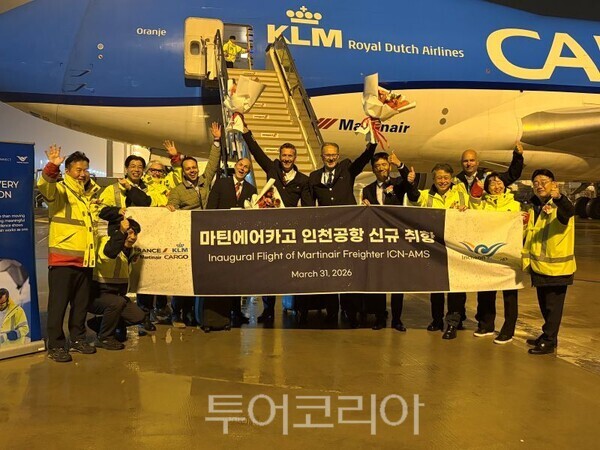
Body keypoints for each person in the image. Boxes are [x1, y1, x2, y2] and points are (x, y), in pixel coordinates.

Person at [242, 125, 313, 324]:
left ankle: (300, 308)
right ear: (280, 156)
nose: (287, 159)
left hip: (291, 231)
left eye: (290, 156)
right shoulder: (272, 169)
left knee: (295, 271)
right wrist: (246, 132)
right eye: (284, 155)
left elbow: (308, 206)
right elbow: (257, 153)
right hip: (271, 229)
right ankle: (268, 310)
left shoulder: (303, 180)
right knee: (270, 271)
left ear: (295, 158)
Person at [38, 146, 101, 362]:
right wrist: (52, 166)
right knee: (58, 305)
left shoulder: (87, 195)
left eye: (85, 169)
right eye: (78, 170)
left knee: (80, 305)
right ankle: (55, 345)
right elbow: (45, 186)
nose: (83, 174)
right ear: (68, 171)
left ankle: (77, 339)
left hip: (85, 259)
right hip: (63, 259)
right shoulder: (60, 190)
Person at [307, 139, 378, 327]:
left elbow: (364, 158)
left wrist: (372, 144)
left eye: (333, 155)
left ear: (338, 156)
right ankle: (331, 312)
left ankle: (350, 311)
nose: (330, 158)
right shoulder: (314, 177)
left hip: (348, 231)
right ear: (322, 156)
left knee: (349, 272)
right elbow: (309, 206)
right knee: (330, 273)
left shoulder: (347, 170)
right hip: (327, 234)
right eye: (327, 155)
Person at [166, 123, 222, 327]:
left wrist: (216, 141)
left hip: (202, 238)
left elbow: (213, 163)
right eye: (188, 168)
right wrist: (170, 208)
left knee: (195, 278)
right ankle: (176, 314)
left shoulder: (204, 181)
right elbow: (171, 209)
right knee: (182, 278)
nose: (192, 171)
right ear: (183, 171)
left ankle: (190, 313)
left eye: (194, 168)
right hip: (185, 238)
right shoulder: (178, 190)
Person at [405, 163, 468, 340]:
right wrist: (410, 183)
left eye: (446, 178)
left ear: (451, 178)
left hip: (456, 248)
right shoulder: (426, 195)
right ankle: (437, 319)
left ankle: (453, 322)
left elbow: (474, 213)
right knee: (436, 286)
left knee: (456, 287)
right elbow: (414, 199)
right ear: (433, 179)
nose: (443, 181)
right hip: (435, 247)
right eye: (439, 178)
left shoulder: (462, 195)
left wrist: (466, 210)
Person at [522, 169, 576, 355]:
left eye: (544, 181)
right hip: (540, 266)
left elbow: (569, 211)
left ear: (554, 184)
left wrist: (559, 197)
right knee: (545, 306)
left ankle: (549, 340)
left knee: (553, 308)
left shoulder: (558, 205)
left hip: (557, 268)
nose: (539, 185)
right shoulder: (535, 207)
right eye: (536, 182)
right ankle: (549, 336)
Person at [469, 172, 521, 344]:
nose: (497, 186)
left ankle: (508, 329)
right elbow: (473, 206)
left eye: (499, 183)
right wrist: (477, 189)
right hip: (489, 254)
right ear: (487, 188)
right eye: (492, 184)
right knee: (486, 291)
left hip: (508, 255)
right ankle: (486, 324)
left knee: (509, 294)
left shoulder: (515, 205)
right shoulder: (483, 205)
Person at [361, 152, 409, 331]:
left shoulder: (398, 184)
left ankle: (397, 319)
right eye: (377, 166)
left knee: (397, 281)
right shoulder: (367, 189)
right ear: (373, 170)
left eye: (383, 165)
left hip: (396, 240)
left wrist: (400, 164)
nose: (381, 168)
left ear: (388, 166)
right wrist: (364, 208)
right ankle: (380, 317)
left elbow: (411, 186)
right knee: (378, 281)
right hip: (377, 241)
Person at [207, 158, 257, 326]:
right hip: (221, 238)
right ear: (235, 166)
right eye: (240, 165)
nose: (242, 169)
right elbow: (211, 209)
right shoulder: (221, 184)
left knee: (238, 278)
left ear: (248, 171)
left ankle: (237, 311)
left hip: (239, 240)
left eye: (246, 167)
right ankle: (222, 313)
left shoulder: (251, 189)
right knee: (222, 276)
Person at [88, 208, 146, 350]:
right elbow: (109, 253)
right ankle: (105, 338)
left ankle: (100, 324)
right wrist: (120, 232)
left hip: (116, 297)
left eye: (135, 234)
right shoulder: (105, 243)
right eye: (130, 233)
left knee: (138, 316)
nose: (133, 237)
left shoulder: (130, 252)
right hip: (96, 296)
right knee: (117, 303)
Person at [454, 143, 524, 194]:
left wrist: (518, 156)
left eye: (472, 160)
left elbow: (512, 175)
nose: (469, 164)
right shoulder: (455, 181)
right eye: (465, 161)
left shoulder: (488, 177)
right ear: (461, 163)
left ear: (477, 163)